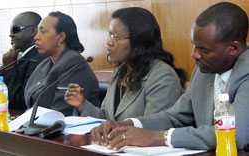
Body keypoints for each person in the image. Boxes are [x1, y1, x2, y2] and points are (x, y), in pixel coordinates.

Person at [90, 2, 249, 150]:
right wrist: (126, 125)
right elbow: (175, 117)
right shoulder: (204, 72)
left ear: (233, 47)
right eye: (194, 46)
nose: (194, 55)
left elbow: (235, 135)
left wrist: (160, 137)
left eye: (204, 50)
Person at [65, 7, 185, 121]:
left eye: (116, 37)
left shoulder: (162, 76)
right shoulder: (121, 71)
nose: (109, 42)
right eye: (110, 35)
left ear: (138, 42)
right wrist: (82, 104)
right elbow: (106, 118)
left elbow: (154, 128)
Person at [24, 11, 100, 116]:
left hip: (69, 129)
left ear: (60, 37)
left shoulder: (74, 63)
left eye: (43, 31)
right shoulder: (45, 63)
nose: (36, 37)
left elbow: (60, 112)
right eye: (37, 32)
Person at [0, 12, 46, 111]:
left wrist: (9, 69)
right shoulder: (14, 56)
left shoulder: (39, 59)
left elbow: (21, 103)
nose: (11, 34)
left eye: (16, 29)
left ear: (33, 31)